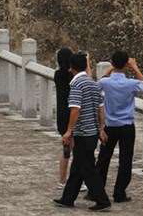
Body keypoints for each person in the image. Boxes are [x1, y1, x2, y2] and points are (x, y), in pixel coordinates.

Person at [54, 52, 112, 211]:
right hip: (92, 132)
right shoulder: (93, 83)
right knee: (77, 168)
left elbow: (75, 110)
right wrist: (101, 128)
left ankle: (102, 200)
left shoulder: (76, 85)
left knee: (87, 168)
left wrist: (68, 131)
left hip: (82, 133)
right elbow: (101, 108)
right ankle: (67, 198)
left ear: (71, 67)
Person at [96, 50, 143, 203]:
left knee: (104, 158)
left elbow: (99, 82)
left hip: (109, 125)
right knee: (126, 160)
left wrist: (111, 67)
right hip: (126, 126)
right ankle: (119, 193)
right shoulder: (131, 83)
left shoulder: (105, 82)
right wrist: (135, 67)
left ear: (112, 63)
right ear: (126, 65)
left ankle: (97, 189)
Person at [54, 47, 87, 190]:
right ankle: (77, 181)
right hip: (73, 114)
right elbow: (87, 77)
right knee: (77, 150)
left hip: (61, 116)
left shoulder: (57, 74)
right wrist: (87, 62)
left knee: (66, 149)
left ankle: (62, 180)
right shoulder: (73, 77)